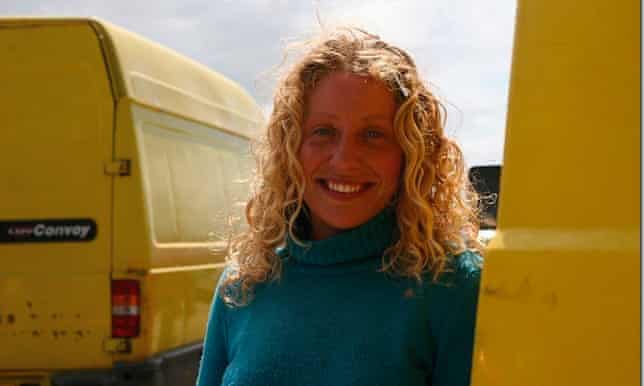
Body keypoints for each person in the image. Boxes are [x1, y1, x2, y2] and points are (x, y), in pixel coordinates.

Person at [196, 27, 483, 386]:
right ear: (291, 147)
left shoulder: (455, 286)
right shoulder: (244, 284)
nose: (345, 160)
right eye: (323, 131)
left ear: (411, 154)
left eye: (373, 135)